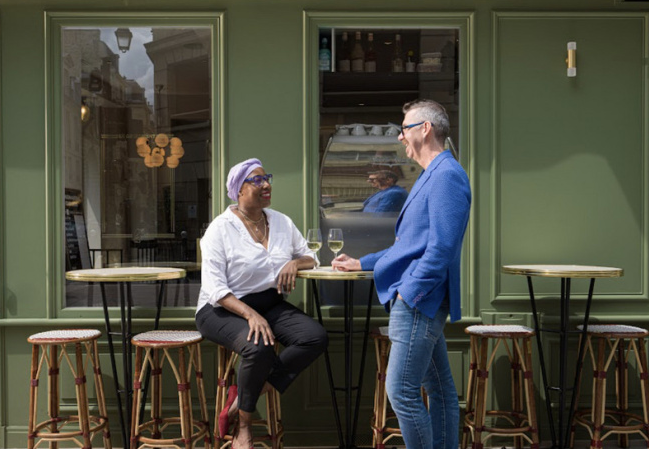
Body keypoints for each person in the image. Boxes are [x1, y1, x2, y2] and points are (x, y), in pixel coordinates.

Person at [332, 100, 471, 449]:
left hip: (418, 302)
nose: (400, 137)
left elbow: (441, 248)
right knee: (439, 391)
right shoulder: (432, 175)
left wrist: (410, 294)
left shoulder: (447, 176)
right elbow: (409, 245)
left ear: (426, 128)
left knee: (402, 393)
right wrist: (363, 263)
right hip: (418, 299)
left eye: (405, 128)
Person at [196, 158, 328, 449]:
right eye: (256, 180)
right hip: (222, 308)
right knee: (259, 346)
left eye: (266, 177)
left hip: (269, 302)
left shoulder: (281, 221)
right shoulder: (220, 229)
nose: (266, 184)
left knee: (314, 337)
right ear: (239, 190)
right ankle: (243, 428)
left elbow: (312, 257)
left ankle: (242, 397)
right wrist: (251, 316)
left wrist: (295, 262)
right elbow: (215, 288)